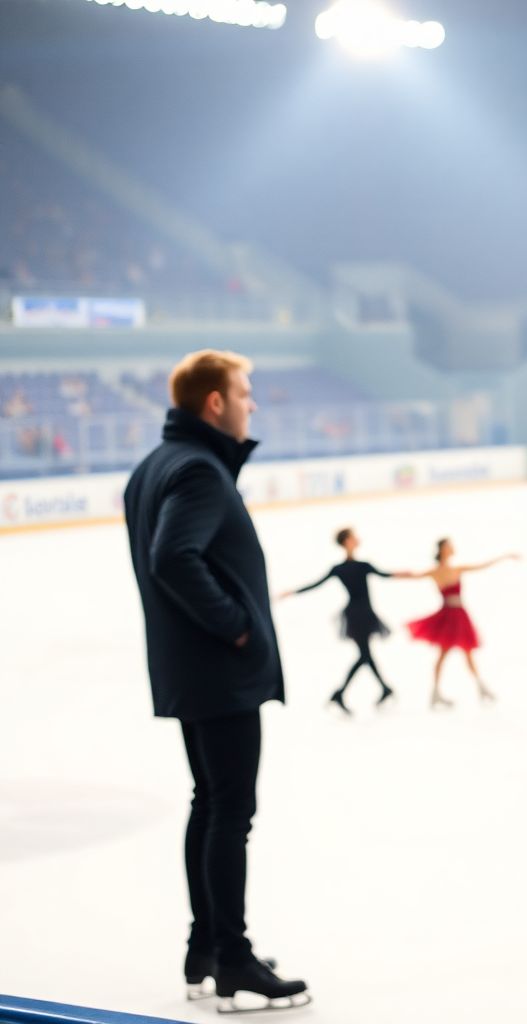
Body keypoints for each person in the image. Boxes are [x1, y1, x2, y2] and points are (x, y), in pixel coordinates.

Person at [123, 349, 309, 1013]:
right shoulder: (199, 471)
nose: (251, 404)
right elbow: (173, 557)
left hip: (190, 671)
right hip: (218, 671)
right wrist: (237, 627)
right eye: (244, 393)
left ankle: (205, 947)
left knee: (210, 803)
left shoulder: (156, 466)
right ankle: (233, 960)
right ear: (214, 403)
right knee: (232, 812)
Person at [278, 527, 411, 714]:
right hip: (359, 615)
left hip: (361, 614)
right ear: (347, 541)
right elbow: (316, 584)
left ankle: (381, 689)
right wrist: (292, 592)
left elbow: (385, 574)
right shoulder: (351, 567)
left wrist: (405, 575)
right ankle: (342, 693)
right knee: (365, 654)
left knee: (366, 654)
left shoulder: (356, 566)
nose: (357, 538)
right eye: (354, 536)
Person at [406, 539, 518, 708]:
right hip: (448, 616)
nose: (452, 548)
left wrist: (504, 557)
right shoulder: (436, 572)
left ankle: (481, 688)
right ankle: (436, 692)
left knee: (467, 653)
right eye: (449, 546)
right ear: (443, 549)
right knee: (444, 655)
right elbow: (414, 576)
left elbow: (482, 566)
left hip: (460, 615)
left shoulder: (457, 569)